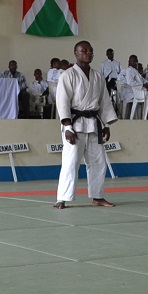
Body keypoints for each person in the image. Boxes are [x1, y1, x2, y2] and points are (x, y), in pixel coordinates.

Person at [55, 41, 118, 209]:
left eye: (90, 51)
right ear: (76, 53)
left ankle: (97, 197)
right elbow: (62, 102)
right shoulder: (67, 75)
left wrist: (106, 124)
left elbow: (104, 102)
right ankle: (62, 198)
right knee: (71, 161)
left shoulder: (98, 76)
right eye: (84, 51)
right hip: (74, 125)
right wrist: (67, 127)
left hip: (93, 124)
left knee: (98, 162)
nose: (88, 53)